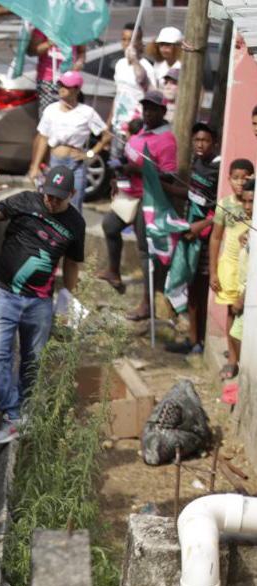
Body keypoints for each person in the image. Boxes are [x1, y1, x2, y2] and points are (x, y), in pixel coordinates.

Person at [0, 166, 85, 444]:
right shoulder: (25, 201)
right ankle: (12, 415)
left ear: (72, 194)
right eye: (48, 195)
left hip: (40, 303)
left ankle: (27, 414)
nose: (52, 201)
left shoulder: (76, 224)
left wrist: (70, 301)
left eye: (59, 197)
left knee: (32, 361)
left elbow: (72, 264)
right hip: (4, 294)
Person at [98, 90, 177, 321]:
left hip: (149, 199)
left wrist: (138, 170)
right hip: (129, 192)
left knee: (145, 251)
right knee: (109, 226)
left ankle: (147, 303)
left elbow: (169, 177)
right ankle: (114, 271)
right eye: (146, 108)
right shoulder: (143, 129)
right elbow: (131, 157)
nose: (148, 112)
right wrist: (119, 174)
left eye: (153, 109)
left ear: (163, 111)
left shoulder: (166, 139)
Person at [165, 123, 220, 355]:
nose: (200, 144)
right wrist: (162, 186)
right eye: (196, 140)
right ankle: (192, 339)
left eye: (205, 140)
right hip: (190, 232)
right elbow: (191, 194)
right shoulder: (197, 164)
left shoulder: (217, 169)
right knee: (188, 284)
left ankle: (201, 342)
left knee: (199, 289)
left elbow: (222, 208)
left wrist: (202, 226)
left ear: (214, 143)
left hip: (207, 239)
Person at [28, 70, 112, 213]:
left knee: (74, 208)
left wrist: (90, 154)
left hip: (76, 166)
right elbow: (43, 138)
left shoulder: (87, 112)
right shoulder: (51, 110)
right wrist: (34, 166)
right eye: (60, 84)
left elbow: (107, 136)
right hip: (55, 163)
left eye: (66, 86)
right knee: (51, 206)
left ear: (77, 90)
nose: (61, 88)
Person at [211, 173, 256, 379]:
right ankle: (238, 365)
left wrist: (243, 296)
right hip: (238, 282)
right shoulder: (245, 225)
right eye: (245, 202)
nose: (247, 207)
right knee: (236, 330)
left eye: (252, 202)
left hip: (248, 292)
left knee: (237, 331)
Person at [110, 23, 155, 162]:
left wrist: (135, 60)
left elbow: (141, 78)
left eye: (131, 40)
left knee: (132, 166)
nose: (127, 43)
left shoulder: (146, 66)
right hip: (118, 126)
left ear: (139, 42)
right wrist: (109, 122)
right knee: (116, 166)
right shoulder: (120, 64)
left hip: (135, 127)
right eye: (124, 39)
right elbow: (118, 94)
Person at [27, 25, 85, 113]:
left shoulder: (76, 28)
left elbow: (82, 51)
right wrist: (49, 43)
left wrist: (80, 62)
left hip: (69, 79)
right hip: (48, 80)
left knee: (71, 115)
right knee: (49, 114)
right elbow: (31, 51)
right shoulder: (43, 26)